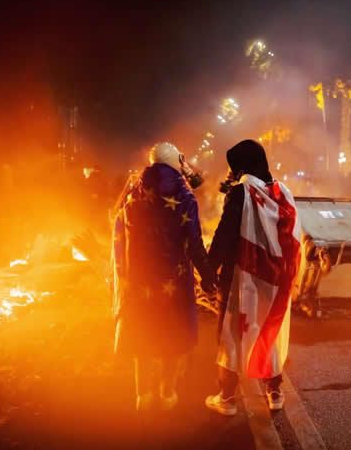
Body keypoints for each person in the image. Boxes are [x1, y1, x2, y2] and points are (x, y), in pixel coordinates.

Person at [111, 142, 215, 411]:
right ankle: (167, 394)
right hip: (174, 280)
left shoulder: (133, 192)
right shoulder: (184, 195)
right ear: (177, 161)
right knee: (173, 335)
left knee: (143, 333)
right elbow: (193, 242)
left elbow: (119, 230)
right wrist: (207, 276)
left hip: (139, 277)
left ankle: (142, 396)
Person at [205, 140, 301, 416]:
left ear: (241, 166)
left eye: (233, 166)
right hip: (274, 279)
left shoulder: (241, 192)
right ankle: (275, 391)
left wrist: (209, 270)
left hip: (242, 276)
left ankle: (227, 397)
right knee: (268, 330)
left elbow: (225, 234)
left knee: (231, 333)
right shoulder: (282, 192)